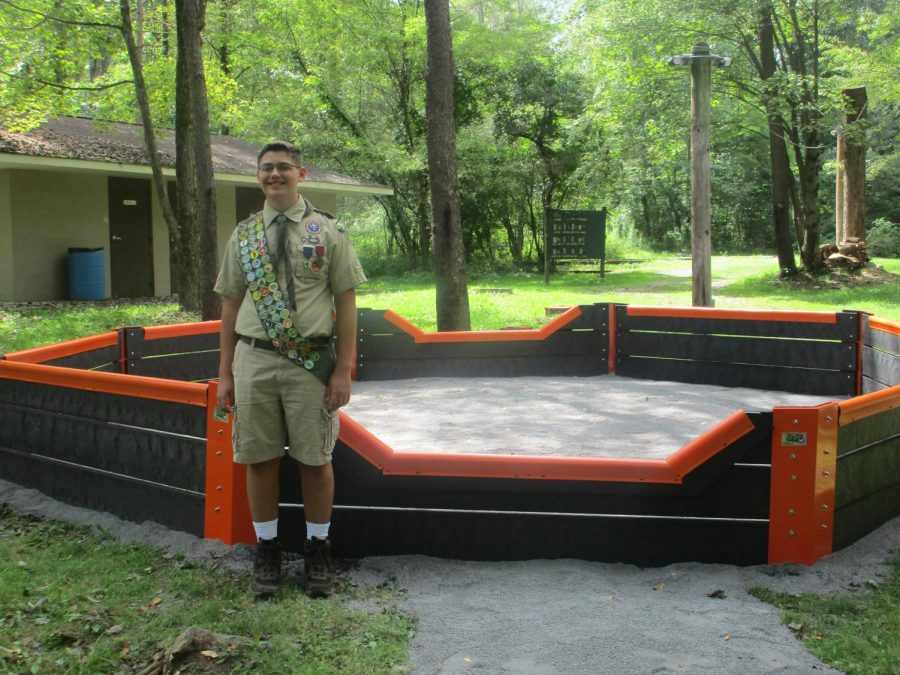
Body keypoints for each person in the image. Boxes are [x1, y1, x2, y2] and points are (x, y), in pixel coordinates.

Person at [214, 140, 366, 598]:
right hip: (255, 359)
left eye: (283, 167)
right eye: (266, 168)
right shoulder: (243, 237)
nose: (274, 175)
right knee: (258, 459)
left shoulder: (327, 231)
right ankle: (268, 549)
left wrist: (344, 368)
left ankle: (317, 549)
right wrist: (225, 373)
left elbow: (346, 299)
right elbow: (229, 303)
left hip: (309, 364)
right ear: (257, 176)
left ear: (301, 173)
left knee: (315, 460)